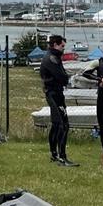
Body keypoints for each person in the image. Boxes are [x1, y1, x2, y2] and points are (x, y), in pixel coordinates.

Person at [39, 34, 77, 166]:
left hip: (54, 93)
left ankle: (54, 154)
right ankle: (62, 157)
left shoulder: (52, 56)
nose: (63, 49)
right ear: (55, 44)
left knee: (56, 124)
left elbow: (62, 76)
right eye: (62, 46)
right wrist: (66, 78)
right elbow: (62, 77)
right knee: (63, 125)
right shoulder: (52, 58)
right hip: (54, 93)